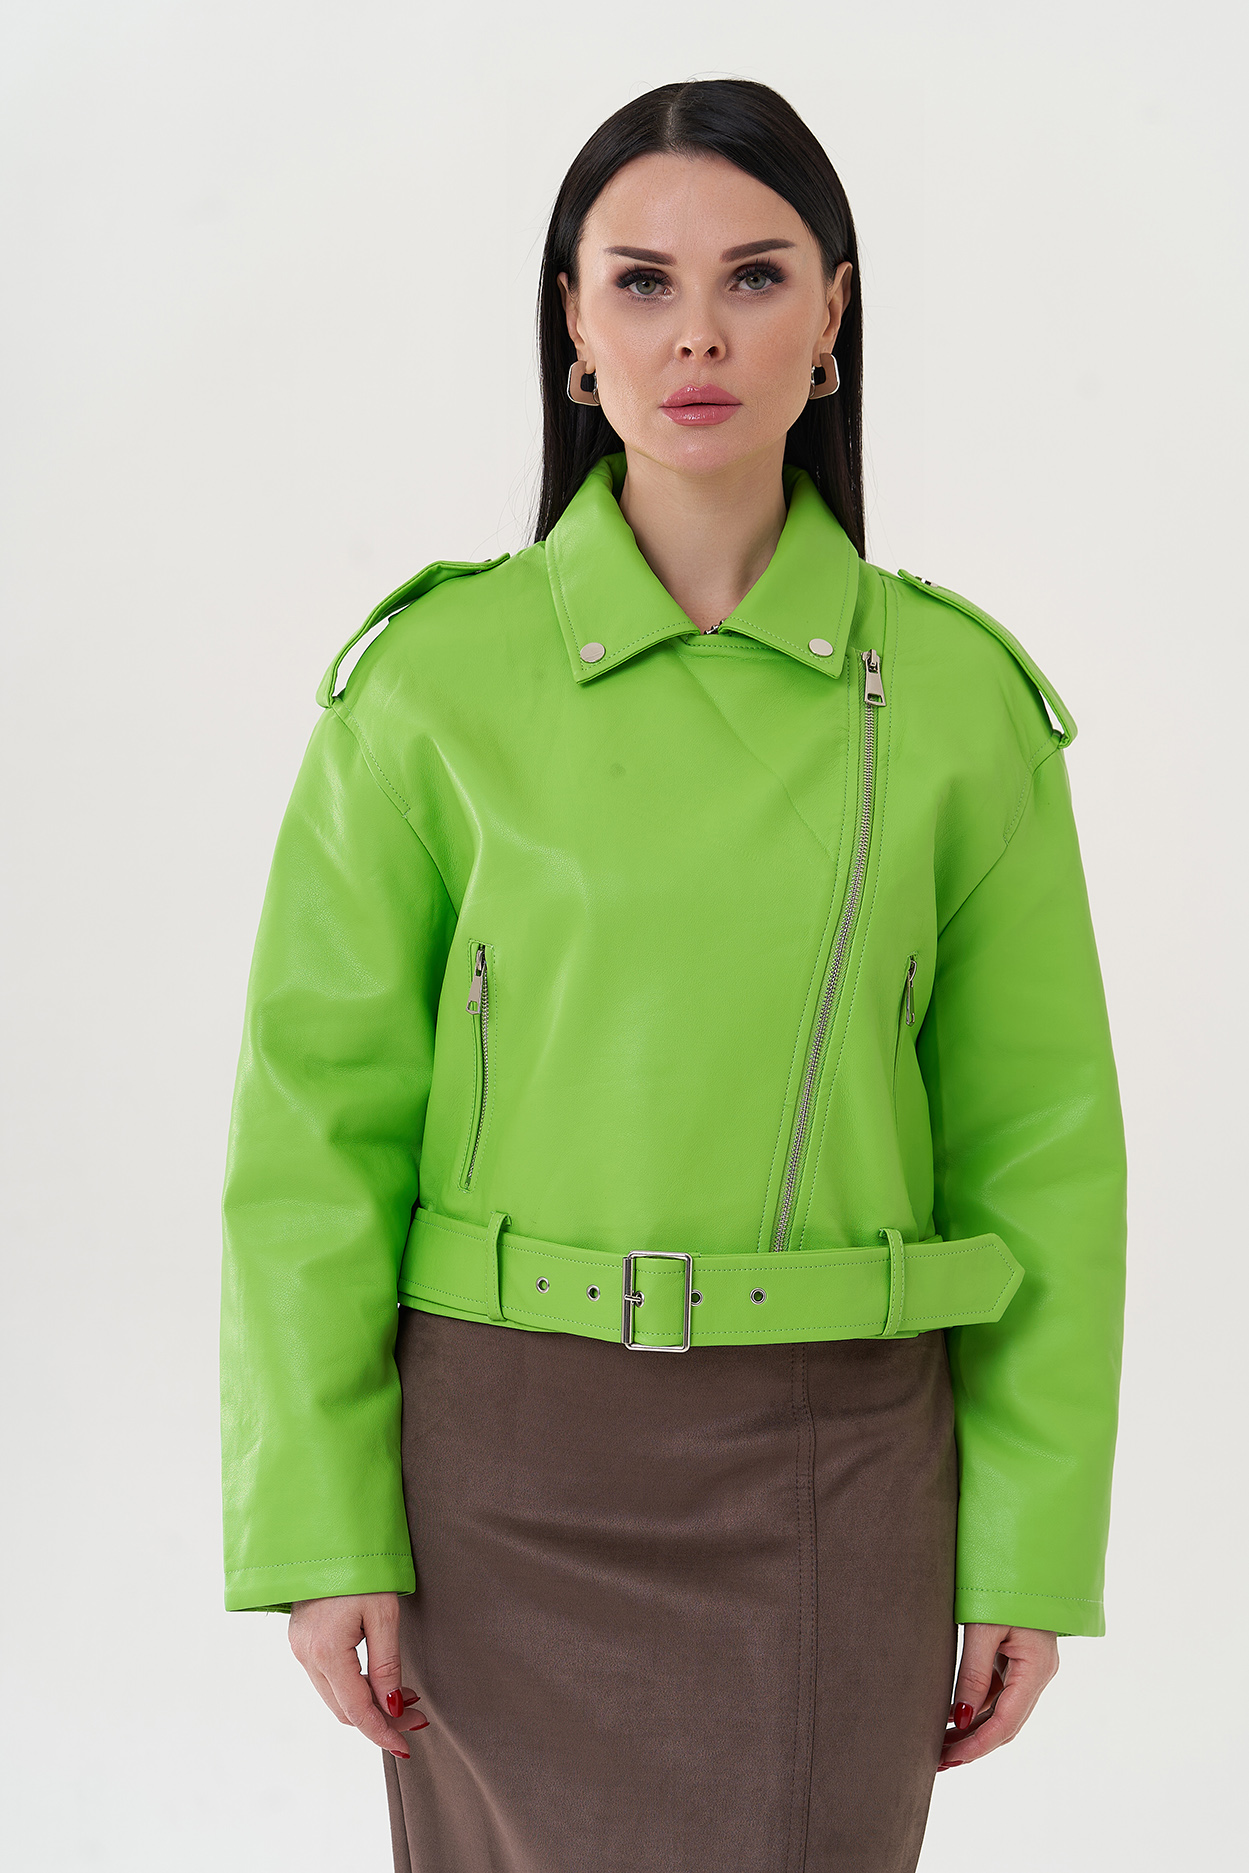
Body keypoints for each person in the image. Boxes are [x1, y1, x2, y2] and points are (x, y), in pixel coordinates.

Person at [219, 78, 1128, 1873]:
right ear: (571, 326)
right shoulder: (428, 688)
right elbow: (313, 1130)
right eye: (639, 281)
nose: (695, 332)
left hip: (835, 1460)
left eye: (753, 276)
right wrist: (321, 1521)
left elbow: (1038, 1145)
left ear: (832, 319)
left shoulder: (955, 702)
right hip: (495, 1470)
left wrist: (1027, 1545)